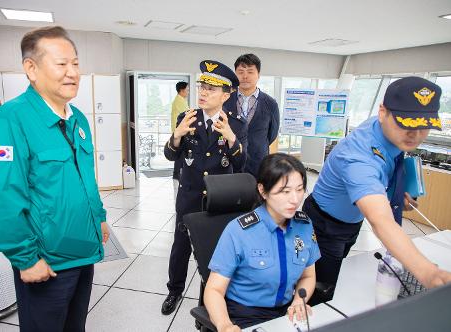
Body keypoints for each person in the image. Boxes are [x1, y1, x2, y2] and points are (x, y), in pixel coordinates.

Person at [0, 26, 109, 332]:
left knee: (74, 327)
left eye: (76, 63)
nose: (72, 72)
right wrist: (25, 259)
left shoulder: (77, 118)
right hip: (46, 262)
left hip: (83, 250)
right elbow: (5, 196)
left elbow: (85, 179)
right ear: (32, 69)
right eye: (62, 64)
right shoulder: (9, 120)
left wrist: (100, 218)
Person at [303, 76, 451, 301]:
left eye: (424, 126)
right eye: (407, 124)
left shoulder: (383, 129)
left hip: (351, 220)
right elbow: (380, 220)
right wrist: (430, 274)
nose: (415, 135)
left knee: (343, 272)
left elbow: (382, 168)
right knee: (323, 288)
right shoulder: (358, 157)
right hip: (325, 225)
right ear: (383, 112)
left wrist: (392, 194)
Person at [162, 60, 248, 315]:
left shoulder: (237, 124)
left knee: (212, 251)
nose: (203, 92)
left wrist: (231, 137)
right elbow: (169, 156)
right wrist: (177, 135)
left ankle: (208, 298)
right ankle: (174, 290)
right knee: (181, 246)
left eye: (211, 89)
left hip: (217, 200)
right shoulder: (186, 118)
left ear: (226, 94)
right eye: (201, 86)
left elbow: (241, 164)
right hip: (189, 196)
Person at [204, 153, 320, 330]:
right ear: (263, 190)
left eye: (300, 189)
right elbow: (214, 290)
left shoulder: (304, 225)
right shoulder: (238, 231)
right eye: (285, 191)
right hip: (245, 314)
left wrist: (298, 301)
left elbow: (308, 276)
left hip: (287, 312)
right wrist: (225, 325)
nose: (295, 199)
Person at [224, 54, 280, 176]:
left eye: (250, 72)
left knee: (256, 194)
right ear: (235, 74)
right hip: (229, 162)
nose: (245, 76)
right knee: (229, 194)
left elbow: (272, 134)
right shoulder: (225, 101)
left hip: (258, 163)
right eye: (241, 72)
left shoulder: (270, 103)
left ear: (258, 75)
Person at [171, 81, 189, 195]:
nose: (187, 92)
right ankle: (177, 174)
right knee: (180, 154)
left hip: (179, 131)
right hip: (180, 132)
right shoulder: (180, 101)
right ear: (182, 90)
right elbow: (186, 116)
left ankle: (177, 173)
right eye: (187, 90)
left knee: (180, 154)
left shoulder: (180, 100)